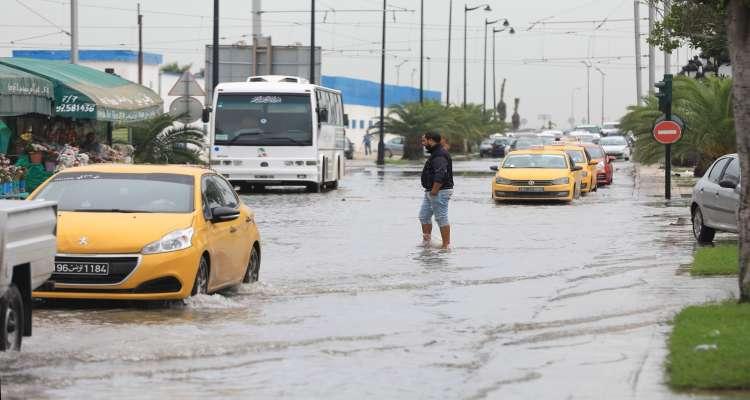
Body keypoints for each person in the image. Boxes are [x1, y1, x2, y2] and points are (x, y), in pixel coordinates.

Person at [419, 131, 454, 249]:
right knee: (424, 216)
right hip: (430, 191)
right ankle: (427, 243)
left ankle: (446, 246)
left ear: (431, 140)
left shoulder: (439, 154)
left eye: (424, 141)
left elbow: (441, 173)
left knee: (441, 217)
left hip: (439, 191)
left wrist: (434, 190)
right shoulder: (435, 153)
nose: (423, 143)